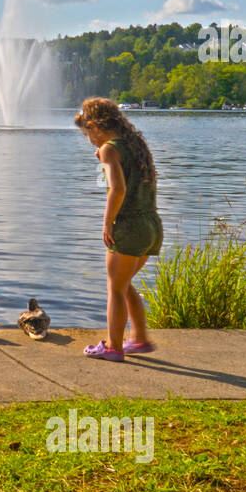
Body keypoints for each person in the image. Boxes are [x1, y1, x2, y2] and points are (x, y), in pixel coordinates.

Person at [74, 98, 163, 361]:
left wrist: (107, 222)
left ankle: (113, 347)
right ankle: (140, 339)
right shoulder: (133, 145)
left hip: (129, 226)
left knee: (114, 288)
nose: (88, 139)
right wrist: (105, 155)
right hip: (151, 226)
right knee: (123, 284)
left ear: (93, 126)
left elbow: (118, 188)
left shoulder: (110, 149)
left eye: (87, 134)